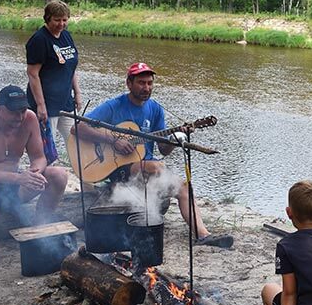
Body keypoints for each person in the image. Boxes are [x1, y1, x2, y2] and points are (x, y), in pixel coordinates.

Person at [76, 62, 232, 248]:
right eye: (141, 83)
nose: (146, 88)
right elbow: (77, 128)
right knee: (157, 167)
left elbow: (163, 150)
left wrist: (176, 138)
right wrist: (113, 141)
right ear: (129, 83)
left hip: (146, 169)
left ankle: (203, 235)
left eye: (150, 83)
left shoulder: (155, 109)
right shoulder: (114, 106)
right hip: (117, 169)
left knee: (183, 187)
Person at [0, 85, 69, 270]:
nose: (20, 117)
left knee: (58, 175)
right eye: (14, 112)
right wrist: (17, 179)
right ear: (0, 110)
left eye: (23, 110)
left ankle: (38, 228)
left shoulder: (29, 119)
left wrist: (34, 173)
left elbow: (39, 157)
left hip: (10, 189)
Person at [26, 0, 81, 151]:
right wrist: (41, 105)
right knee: (49, 147)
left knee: (75, 142)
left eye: (65, 20)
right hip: (47, 102)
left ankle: (79, 173)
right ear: (47, 18)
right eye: (57, 20)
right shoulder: (39, 40)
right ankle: (45, 173)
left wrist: (77, 93)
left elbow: (71, 68)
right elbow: (32, 74)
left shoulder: (66, 36)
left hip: (65, 100)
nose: (61, 24)